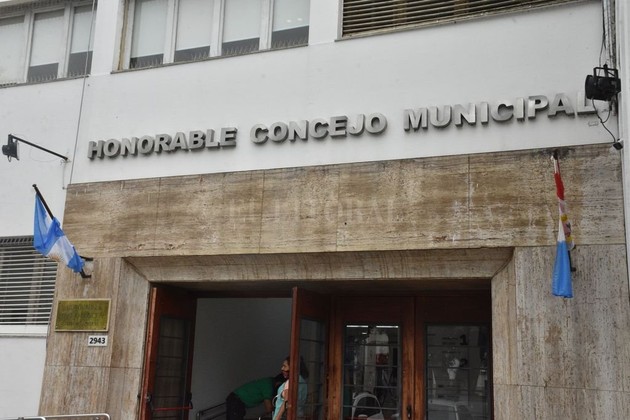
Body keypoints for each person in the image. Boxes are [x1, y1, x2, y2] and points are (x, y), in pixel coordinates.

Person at [272, 356, 309, 420]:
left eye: (285, 366)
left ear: (292, 367)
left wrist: (277, 418)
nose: (282, 368)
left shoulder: (291, 382)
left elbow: (286, 402)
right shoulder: (303, 382)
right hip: (299, 415)